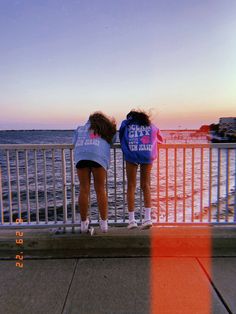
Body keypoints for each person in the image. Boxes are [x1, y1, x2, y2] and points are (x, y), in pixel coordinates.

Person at [119, 109, 163, 229]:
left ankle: (132, 220)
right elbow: (160, 139)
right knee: (146, 185)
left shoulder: (126, 123)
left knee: (131, 186)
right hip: (147, 154)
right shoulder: (150, 125)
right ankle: (148, 219)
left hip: (131, 154)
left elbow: (121, 135)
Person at [73, 112, 117, 233]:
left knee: (84, 189)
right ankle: (104, 224)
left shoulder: (80, 129)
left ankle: (83, 224)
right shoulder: (104, 130)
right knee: (100, 190)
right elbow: (113, 140)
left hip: (81, 157)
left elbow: (74, 142)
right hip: (98, 157)